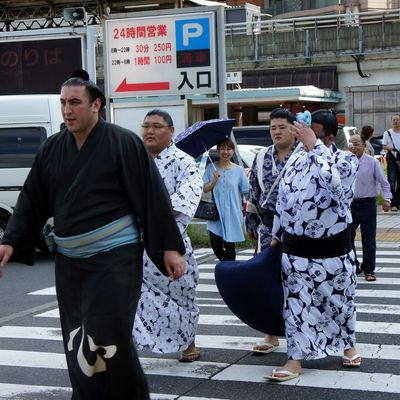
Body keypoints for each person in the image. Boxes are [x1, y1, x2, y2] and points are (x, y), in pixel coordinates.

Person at [0, 72, 186, 399]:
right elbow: (32, 197)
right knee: (77, 335)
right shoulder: (53, 147)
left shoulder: (123, 143)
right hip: (70, 261)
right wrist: (11, 240)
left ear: (96, 105)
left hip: (115, 257)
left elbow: (152, 195)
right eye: (63, 103)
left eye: (75, 102)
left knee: (108, 332)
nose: (67, 110)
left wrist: (170, 247)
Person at [266, 108, 360, 382]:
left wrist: (314, 146)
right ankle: (294, 360)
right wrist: (276, 235)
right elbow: (284, 200)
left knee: (339, 303)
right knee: (296, 305)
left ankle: (348, 345)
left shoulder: (345, 160)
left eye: (312, 134)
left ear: (328, 137)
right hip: (296, 250)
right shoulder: (296, 161)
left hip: (334, 251)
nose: (303, 138)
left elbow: (336, 188)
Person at [133, 109, 203, 362]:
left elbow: (184, 201)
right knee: (136, 298)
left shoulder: (185, 162)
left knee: (182, 294)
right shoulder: (135, 159)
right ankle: (137, 344)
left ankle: (188, 343)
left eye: (157, 126)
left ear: (171, 130)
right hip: (136, 243)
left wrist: (145, 212)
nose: (149, 131)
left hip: (171, 242)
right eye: (146, 125)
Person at [245, 107, 300, 354]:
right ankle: (271, 333)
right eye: (273, 128)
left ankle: (300, 334)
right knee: (268, 281)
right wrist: (251, 223)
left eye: (282, 127)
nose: (277, 132)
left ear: (294, 128)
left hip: (296, 231)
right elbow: (253, 192)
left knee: (296, 282)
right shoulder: (260, 157)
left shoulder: (304, 154)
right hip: (267, 228)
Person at [348, 134, 391, 282]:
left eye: (357, 144)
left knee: (368, 239)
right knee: (347, 237)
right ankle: (355, 265)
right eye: (351, 143)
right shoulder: (345, 162)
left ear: (364, 146)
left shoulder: (372, 162)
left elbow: (384, 182)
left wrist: (387, 199)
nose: (353, 147)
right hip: (350, 205)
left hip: (368, 205)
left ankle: (369, 270)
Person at [203, 137, 249, 261]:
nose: (225, 152)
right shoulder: (210, 168)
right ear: (218, 151)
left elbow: (246, 190)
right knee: (216, 246)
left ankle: (230, 273)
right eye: (222, 148)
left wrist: (250, 210)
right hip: (215, 214)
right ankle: (227, 266)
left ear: (233, 151)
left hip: (232, 213)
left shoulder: (239, 170)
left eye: (229, 149)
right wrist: (214, 180)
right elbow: (205, 189)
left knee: (230, 246)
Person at [382, 114, 400, 211]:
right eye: (394, 120)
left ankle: (399, 202)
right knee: (392, 182)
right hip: (392, 160)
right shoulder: (387, 133)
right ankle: (393, 203)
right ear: (392, 121)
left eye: (397, 120)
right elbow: (384, 145)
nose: (396, 122)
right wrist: (390, 148)